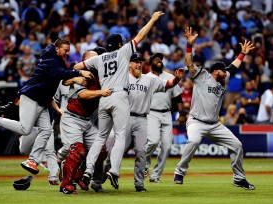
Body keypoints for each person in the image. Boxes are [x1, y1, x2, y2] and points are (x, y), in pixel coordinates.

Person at [73, 11, 164, 190]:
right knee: (121, 135)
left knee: (100, 137)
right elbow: (141, 35)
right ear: (121, 44)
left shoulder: (98, 58)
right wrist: (152, 19)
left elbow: (75, 66)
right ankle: (113, 171)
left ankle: (88, 170)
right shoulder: (123, 52)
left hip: (104, 97)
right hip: (119, 96)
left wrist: (78, 74)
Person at [0, 38, 93, 175]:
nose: (67, 53)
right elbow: (61, 74)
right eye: (65, 50)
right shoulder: (50, 60)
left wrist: (77, 71)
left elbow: (65, 74)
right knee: (25, 129)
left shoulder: (57, 60)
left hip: (43, 101)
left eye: (69, 51)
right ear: (57, 49)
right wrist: (79, 73)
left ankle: (32, 160)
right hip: (30, 97)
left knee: (46, 130)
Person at [174, 27, 256, 190]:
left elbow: (234, 67)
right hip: (196, 121)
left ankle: (239, 178)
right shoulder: (202, 76)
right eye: (222, 71)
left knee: (237, 145)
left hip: (215, 124)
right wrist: (189, 45)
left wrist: (243, 54)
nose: (226, 73)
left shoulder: (223, 78)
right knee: (195, 140)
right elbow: (189, 63)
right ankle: (180, 172)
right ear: (214, 71)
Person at [104, 52, 184, 192]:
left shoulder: (149, 80)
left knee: (141, 151)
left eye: (140, 61)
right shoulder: (122, 78)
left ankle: (139, 183)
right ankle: (103, 176)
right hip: (125, 118)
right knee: (116, 150)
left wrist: (176, 79)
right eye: (136, 61)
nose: (139, 64)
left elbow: (169, 84)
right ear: (129, 64)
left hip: (142, 118)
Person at [58, 50, 112, 194]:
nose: (96, 61)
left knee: (100, 152)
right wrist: (102, 92)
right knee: (78, 150)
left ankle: (78, 174)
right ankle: (66, 185)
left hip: (89, 120)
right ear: (84, 61)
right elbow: (83, 94)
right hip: (73, 118)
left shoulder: (101, 74)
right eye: (92, 59)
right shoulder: (80, 73)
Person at [144, 53, 183, 183]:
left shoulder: (171, 77)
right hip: (151, 113)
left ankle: (155, 175)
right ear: (151, 63)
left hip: (167, 113)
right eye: (156, 59)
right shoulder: (145, 78)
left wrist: (181, 114)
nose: (159, 60)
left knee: (167, 147)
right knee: (153, 142)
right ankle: (144, 166)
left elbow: (177, 96)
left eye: (160, 59)